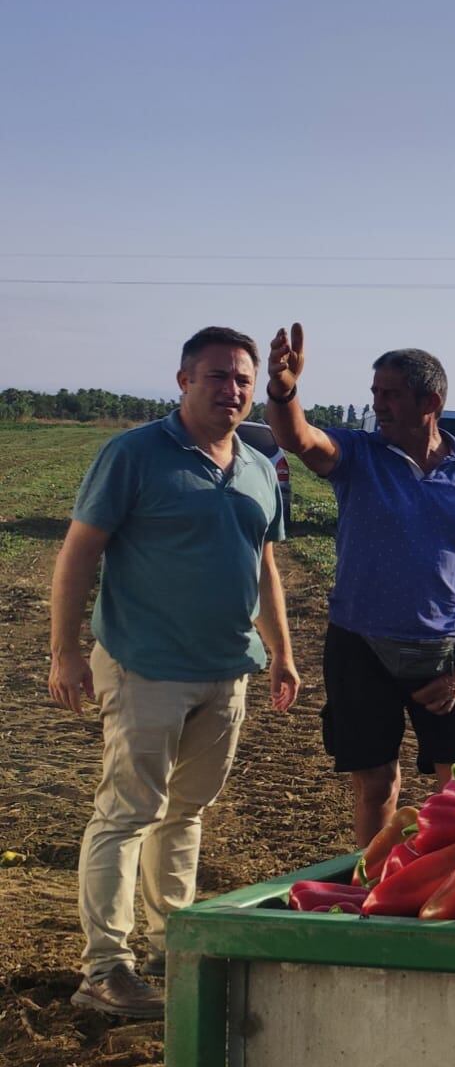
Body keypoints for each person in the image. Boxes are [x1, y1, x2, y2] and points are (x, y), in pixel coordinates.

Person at [48, 327, 300, 1018]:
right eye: (217, 375)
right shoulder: (133, 454)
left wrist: (280, 650)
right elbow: (78, 553)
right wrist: (65, 650)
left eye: (242, 379)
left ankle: (171, 943)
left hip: (226, 672)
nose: (232, 389)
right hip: (145, 666)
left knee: (185, 813)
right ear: (183, 379)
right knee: (126, 814)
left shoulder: (257, 462)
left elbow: (265, 566)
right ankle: (104, 967)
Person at [265, 324, 455, 846]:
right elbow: (298, 438)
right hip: (360, 646)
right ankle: (373, 888)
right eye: (375, 394)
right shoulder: (358, 455)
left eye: (390, 395)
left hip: (445, 651)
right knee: (376, 784)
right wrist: (284, 390)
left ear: (431, 401)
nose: (378, 405)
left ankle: (452, 899)